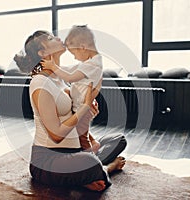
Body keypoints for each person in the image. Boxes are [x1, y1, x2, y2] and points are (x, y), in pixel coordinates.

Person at [14, 30, 127, 192]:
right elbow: (56, 134)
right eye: (51, 38)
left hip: (75, 151)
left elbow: (74, 116)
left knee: (119, 140)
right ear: (43, 52)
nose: (59, 38)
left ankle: (84, 173)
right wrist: (84, 109)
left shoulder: (60, 77)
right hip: (48, 160)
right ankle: (106, 169)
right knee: (91, 162)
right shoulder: (40, 84)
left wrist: (86, 115)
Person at [41, 25, 103, 152]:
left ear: (83, 47)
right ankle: (93, 146)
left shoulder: (91, 64)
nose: (75, 57)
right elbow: (70, 70)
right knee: (81, 132)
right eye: (51, 38)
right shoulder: (91, 62)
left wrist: (53, 67)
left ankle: (91, 159)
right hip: (81, 108)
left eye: (74, 53)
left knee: (82, 136)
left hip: (82, 108)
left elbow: (70, 77)